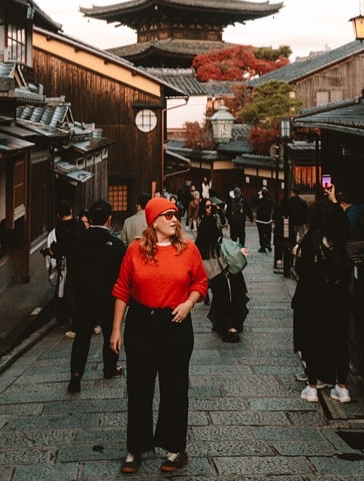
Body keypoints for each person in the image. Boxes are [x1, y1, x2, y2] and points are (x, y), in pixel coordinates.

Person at [110, 196, 208, 474]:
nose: (174, 219)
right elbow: (122, 289)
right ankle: (135, 448)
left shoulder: (188, 249)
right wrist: (116, 329)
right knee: (139, 387)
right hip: (141, 323)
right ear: (153, 221)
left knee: (174, 387)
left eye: (175, 214)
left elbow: (200, 282)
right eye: (167, 215)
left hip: (175, 323)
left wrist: (189, 303)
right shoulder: (135, 250)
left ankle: (175, 448)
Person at [291, 192, 353, 405]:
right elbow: (343, 223)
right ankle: (342, 388)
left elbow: (301, 270)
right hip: (338, 298)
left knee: (313, 340)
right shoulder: (339, 241)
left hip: (313, 299)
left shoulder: (311, 240)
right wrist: (335, 201)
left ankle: (312, 387)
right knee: (339, 340)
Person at [66, 199, 126, 393]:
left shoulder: (79, 242)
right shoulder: (116, 245)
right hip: (109, 298)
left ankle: (76, 375)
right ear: (109, 219)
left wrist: (73, 295)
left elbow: (72, 270)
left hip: (84, 298)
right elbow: (122, 275)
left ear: (90, 219)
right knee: (111, 333)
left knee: (82, 338)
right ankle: (110, 368)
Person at [195, 205, 248, 342]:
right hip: (229, 273)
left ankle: (225, 325)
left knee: (220, 300)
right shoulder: (219, 242)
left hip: (215, 276)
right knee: (234, 298)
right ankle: (233, 326)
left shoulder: (199, 247)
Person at [48, 200, 86, 329]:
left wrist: (53, 250)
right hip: (84, 261)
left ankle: (76, 324)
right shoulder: (80, 224)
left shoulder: (60, 229)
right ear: (71, 211)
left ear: (58, 214)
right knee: (83, 291)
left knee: (71, 293)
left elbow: (61, 250)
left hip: (72, 264)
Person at [253, 187, 274, 252]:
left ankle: (263, 247)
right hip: (268, 219)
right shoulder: (270, 200)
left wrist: (258, 194)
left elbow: (253, 201)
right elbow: (273, 202)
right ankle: (268, 243)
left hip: (260, 219)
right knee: (268, 233)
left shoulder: (260, 200)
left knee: (261, 234)